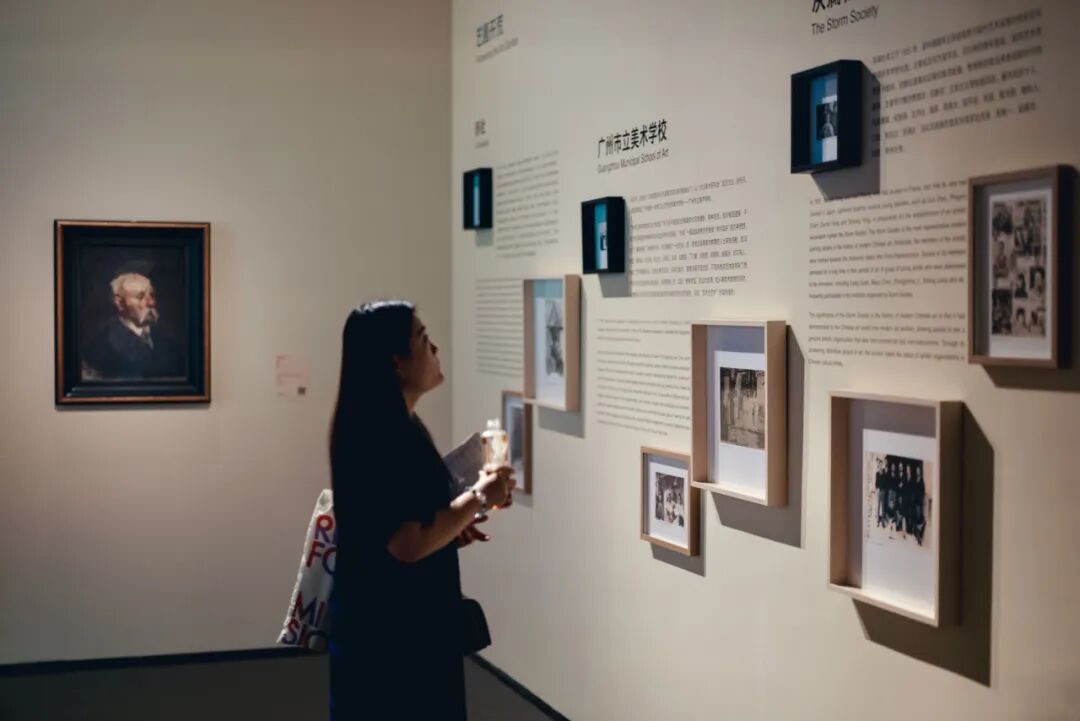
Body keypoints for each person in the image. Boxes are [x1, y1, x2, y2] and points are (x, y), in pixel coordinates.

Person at [328, 301, 514, 721]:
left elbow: (399, 528)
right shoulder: (384, 435)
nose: (435, 350)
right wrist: (480, 495)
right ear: (396, 362)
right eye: (423, 339)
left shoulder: (390, 424)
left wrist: (452, 530)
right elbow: (406, 543)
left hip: (391, 625)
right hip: (396, 636)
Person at [81, 271, 179, 379]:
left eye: (151, 295)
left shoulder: (165, 338)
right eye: (140, 296)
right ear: (120, 303)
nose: (151, 302)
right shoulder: (101, 345)